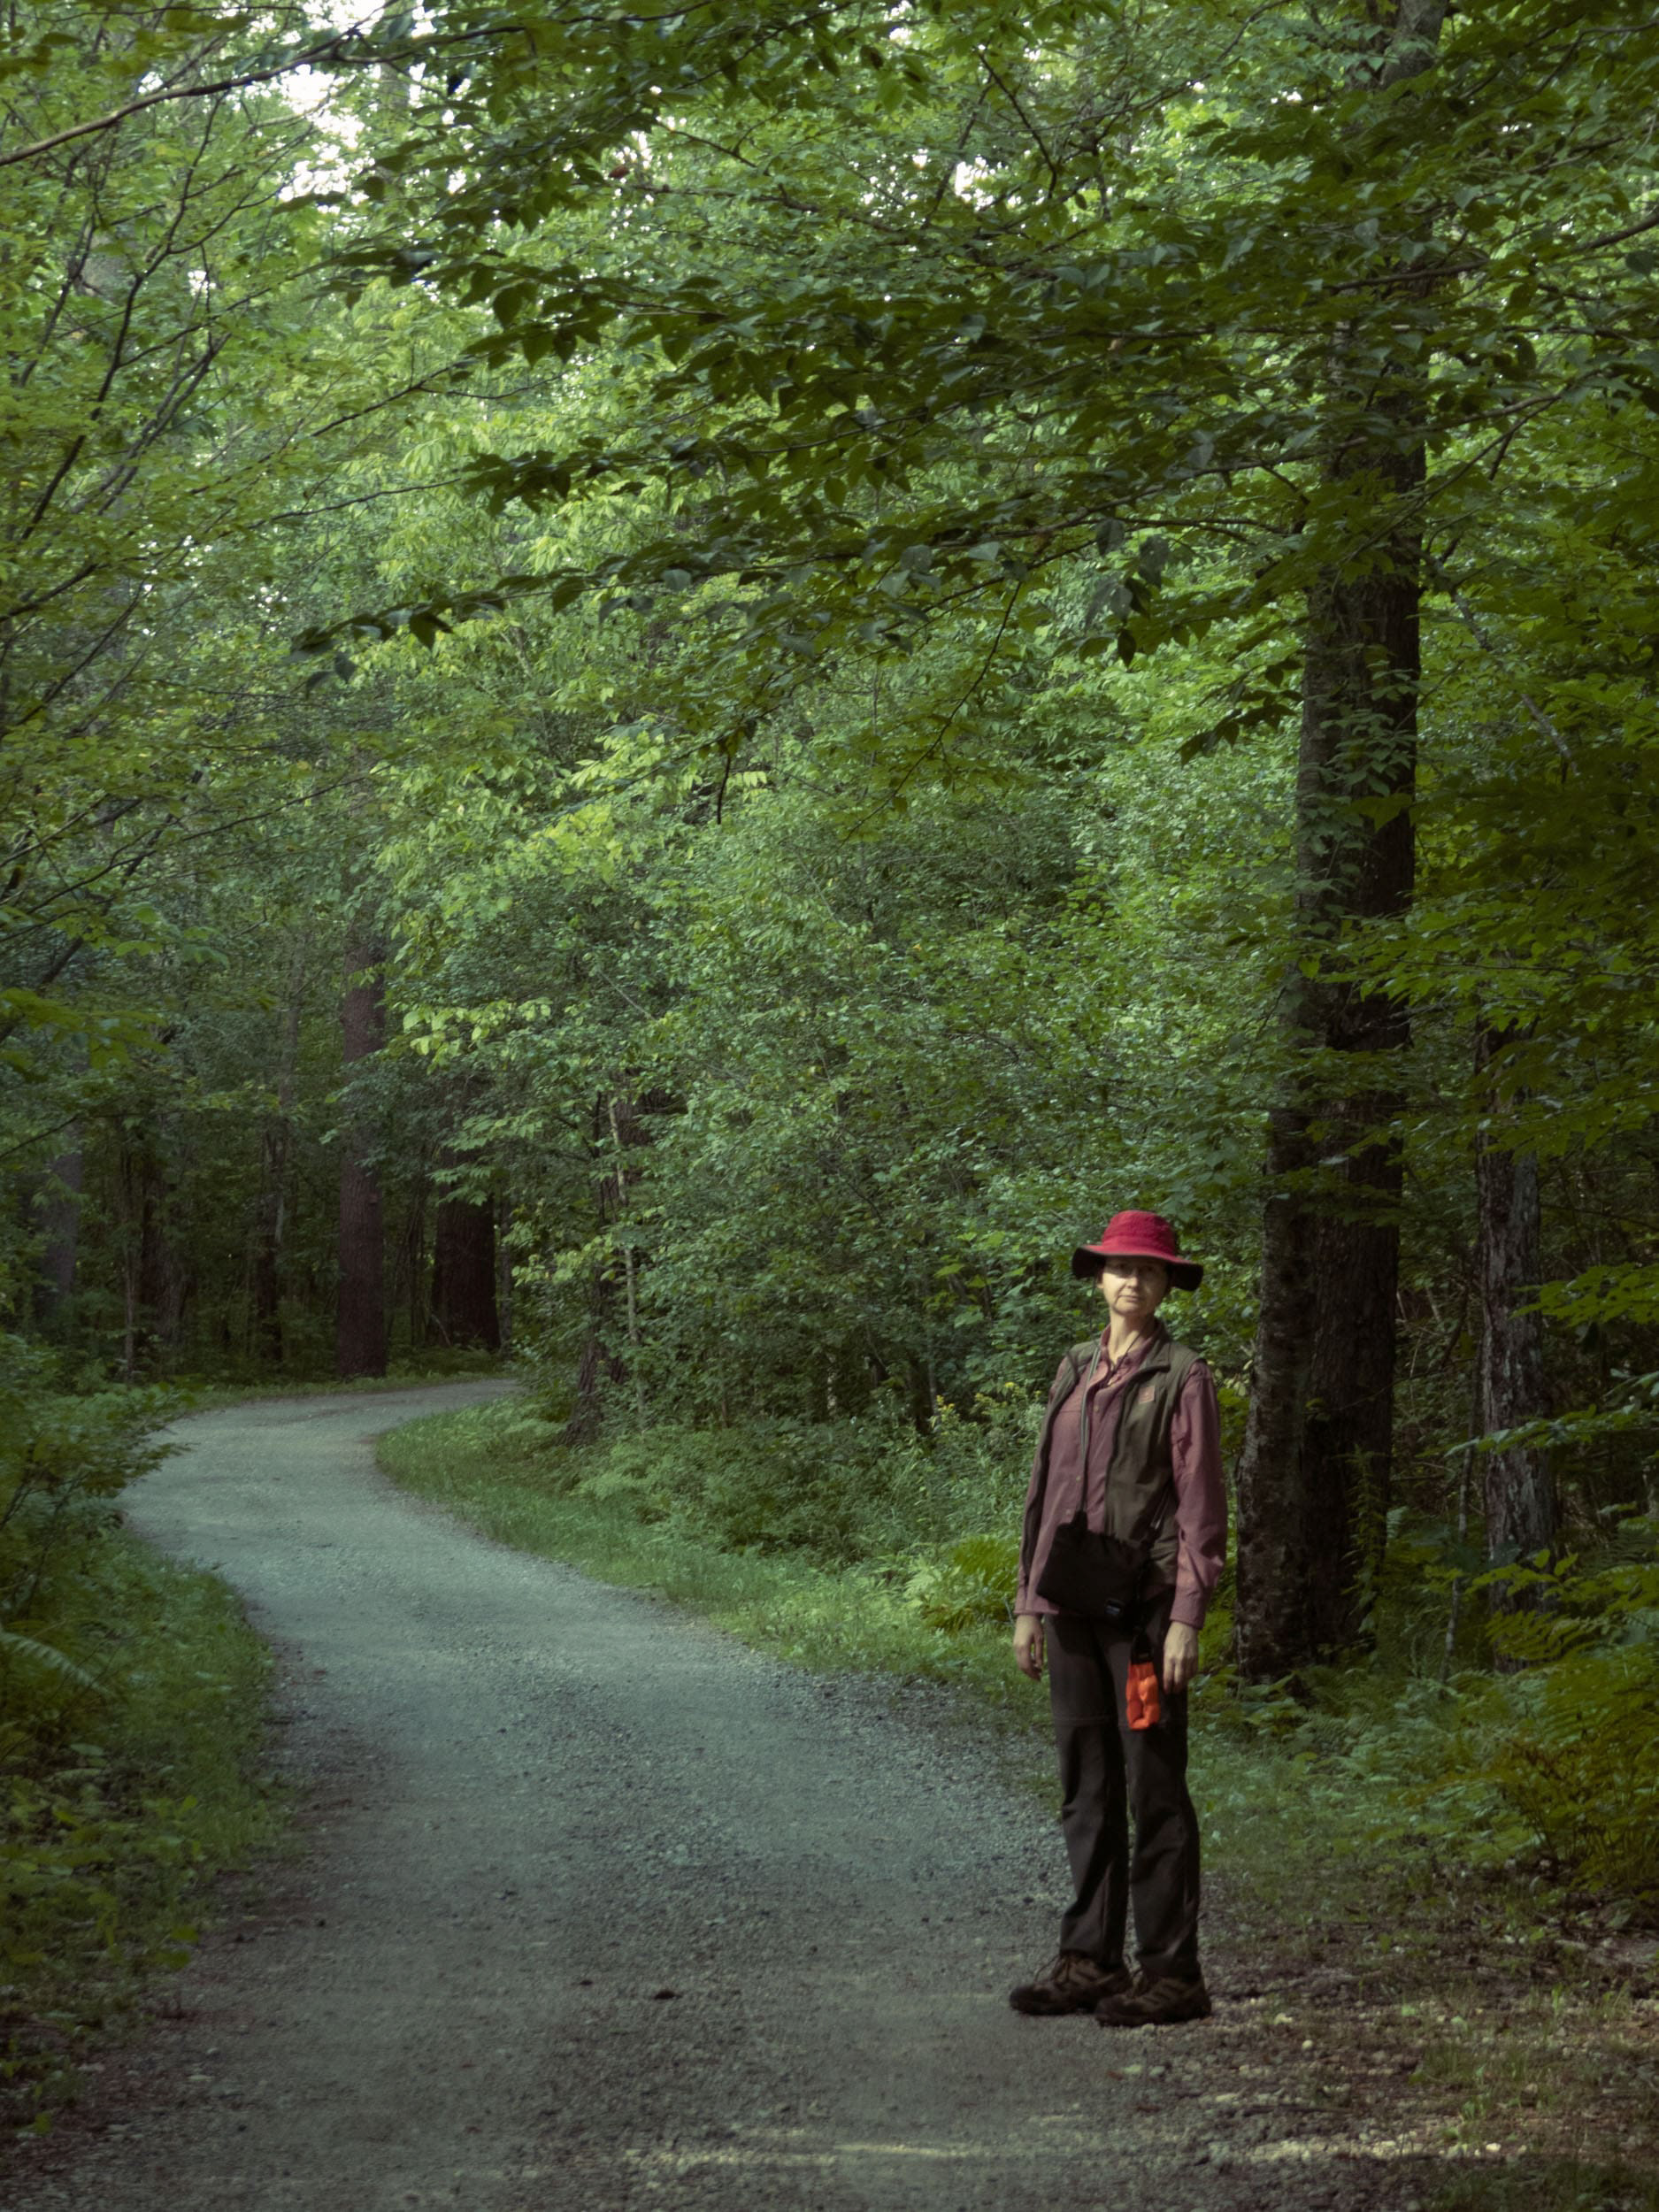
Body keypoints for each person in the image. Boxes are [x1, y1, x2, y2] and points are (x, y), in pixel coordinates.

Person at [1007, 1210, 1226, 2029]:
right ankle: (1089, 1960)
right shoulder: (1071, 1369)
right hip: (1067, 1610)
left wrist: (1185, 1619)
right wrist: (1028, 1604)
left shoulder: (1183, 1376)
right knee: (1085, 1787)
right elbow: (1043, 1496)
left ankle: (1172, 1973)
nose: (1130, 1280)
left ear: (1167, 1284)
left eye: (1148, 1270)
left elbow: (1202, 1508)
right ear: (1098, 1279)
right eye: (1117, 1267)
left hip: (1140, 1620)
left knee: (1153, 1786)